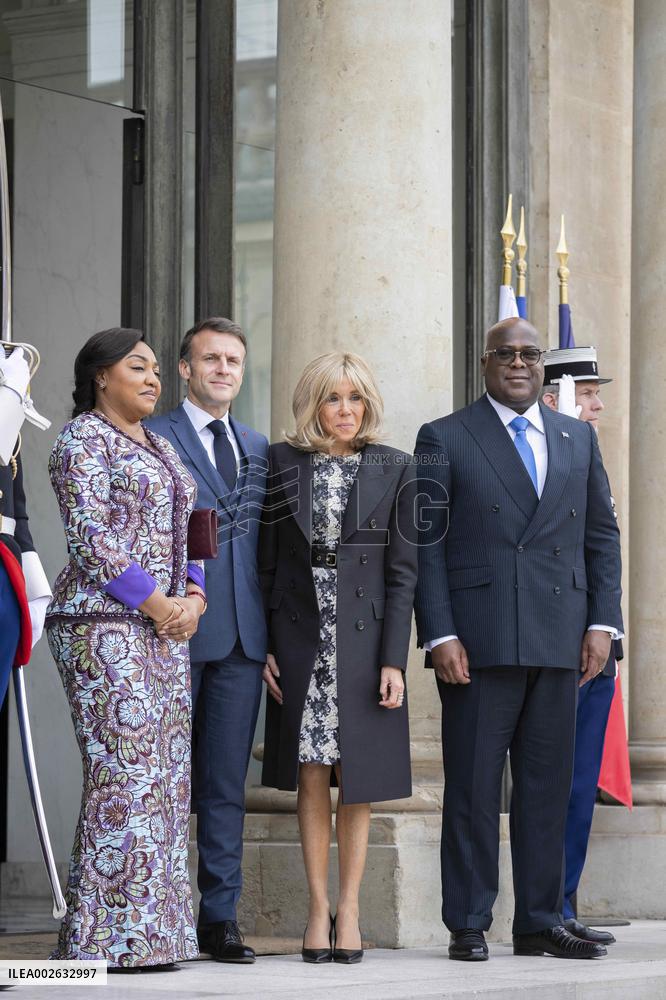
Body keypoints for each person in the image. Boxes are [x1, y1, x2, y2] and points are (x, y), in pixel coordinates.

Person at [414, 317, 623, 962]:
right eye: (505, 353)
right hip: (478, 643)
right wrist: (439, 632)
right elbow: (426, 547)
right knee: (474, 789)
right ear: (484, 363)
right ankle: (469, 920)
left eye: (530, 355)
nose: (518, 363)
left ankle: (538, 920)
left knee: (547, 788)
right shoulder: (444, 436)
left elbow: (602, 540)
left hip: (561, 641)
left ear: (543, 366)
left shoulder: (575, 440)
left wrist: (601, 625)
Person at [46, 328, 206, 970]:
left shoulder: (163, 445)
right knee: (125, 774)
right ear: (100, 377)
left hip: (167, 629)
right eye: (136, 367)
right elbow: (91, 536)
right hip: (102, 624)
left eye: (156, 371)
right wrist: (158, 603)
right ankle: (98, 942)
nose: (152, 378)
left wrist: (193, 597)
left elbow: (197, 526)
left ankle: (155, 938)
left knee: (166, 779)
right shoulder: (80, 440)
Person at [259, 352, 417, 965]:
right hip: (301, 634)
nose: (345, 410)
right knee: (310, 772)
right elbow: (266, 565)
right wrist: (269, 645)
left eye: (354, 398)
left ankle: (349, 910)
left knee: (359, 776)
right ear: (313, 404)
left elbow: (403, 574)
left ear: (368, 404)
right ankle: (315, 909)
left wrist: (393, 660)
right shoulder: (279, 464)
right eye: (332, 398)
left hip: (364, 638)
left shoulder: (396, 467)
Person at [147, 317, 268, 965]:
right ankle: (158, 913)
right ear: (186, 369)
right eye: (211, 359)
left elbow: (267, 551)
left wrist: (275, 637)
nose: (224, 369)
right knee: (163, 779)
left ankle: (218, 917)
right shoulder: (152, 435)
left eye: (234, 361)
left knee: (224, 785)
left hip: (246, 640)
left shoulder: (258, 444)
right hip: (172, 632)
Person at [542, 346, 622, 945]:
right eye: (587, 393)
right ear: (555, 399)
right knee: (555, 782)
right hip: (553, 649)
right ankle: (545, 906)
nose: (597, 404)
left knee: (580, 785)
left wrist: (607, 628)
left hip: (596, 647)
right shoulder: (545, 457)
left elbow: (605, 552)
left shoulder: (587, 454)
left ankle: (565, 901)